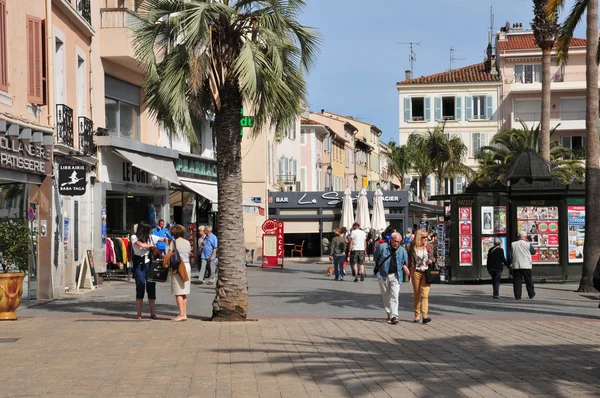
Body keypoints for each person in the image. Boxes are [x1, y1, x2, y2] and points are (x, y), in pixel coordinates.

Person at [131, 221, 167, 320]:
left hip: (150, 264)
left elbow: (162, 239)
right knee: (140, 286)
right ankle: (139, 313)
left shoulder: (151, 237)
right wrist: (150, 246)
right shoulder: (134, 237)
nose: (149, 232)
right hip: (139, 264)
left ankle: (152, 313)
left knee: (151, 287)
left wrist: (169, 238)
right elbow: (140, 245)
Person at [374, 232, 410, 324]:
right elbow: (376, 258)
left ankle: (394, 315)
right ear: (391, 239)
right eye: (395, 241)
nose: (396, 244)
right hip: (383, 275)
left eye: (398, 242)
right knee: (386, 295)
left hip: (396, 275)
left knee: (395, 295)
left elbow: (404, 262)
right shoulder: (382, 247)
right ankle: (389, 314)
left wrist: (405, 267)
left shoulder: (402, 250)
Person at [408, 228, 434, 324]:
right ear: (419, 237)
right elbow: (409, 260)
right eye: (423, 237)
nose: (425, 239)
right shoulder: (412, 247)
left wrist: (432, 260)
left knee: (425, 294)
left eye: (426, 237)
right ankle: (417, 315)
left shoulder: (429, 247)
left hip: (426, 272)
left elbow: (434, 258)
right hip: (416, 272)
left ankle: (425, 316)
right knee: (417, 294)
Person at [168, 224, 192, 322]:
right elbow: (189, 254)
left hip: (178, 267)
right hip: (187, 266)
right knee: (184, 292)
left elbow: (169, 255)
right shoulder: (187, 242)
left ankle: (181, 314)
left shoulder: (173, 243)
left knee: (178, 292)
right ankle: (184, 313)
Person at [511, 231, 536, 300]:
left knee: (517, 281)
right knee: (528, 280)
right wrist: (528, 243)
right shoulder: (528, 244)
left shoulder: (513, 244)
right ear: (525, 237)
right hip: (526, 265)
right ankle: (531, 294)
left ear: (519, 236)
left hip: (516, 265)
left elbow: (510, 254)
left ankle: (517, 296)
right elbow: (533, 252)